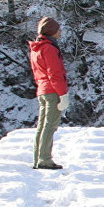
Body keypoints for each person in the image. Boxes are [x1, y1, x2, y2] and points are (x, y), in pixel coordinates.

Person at [29, 17, 69, 170]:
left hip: (43, 90)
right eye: (58, 29)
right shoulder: (50, 48)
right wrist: (63, 94)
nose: (60, 32)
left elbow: (38, 72)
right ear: (51, 31)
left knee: (42, 126)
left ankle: (38, 157)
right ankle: (44, 159)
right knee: (50, 126)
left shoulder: (37, 48)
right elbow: (55, 73)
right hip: (53, 90)